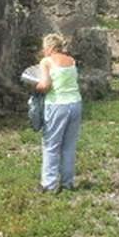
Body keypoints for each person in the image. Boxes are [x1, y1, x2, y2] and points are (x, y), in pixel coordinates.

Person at [34, 33, 83, 193]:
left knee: (51, 145)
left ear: (50, 47)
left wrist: (36, 86)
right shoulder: (71, 61)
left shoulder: (46, 62)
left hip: (57, 104)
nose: (43, 50)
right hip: (75, 103)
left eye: (44, 47)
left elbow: (46, 85)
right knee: (69, 146)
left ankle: (49, 184)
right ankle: (67, 182)